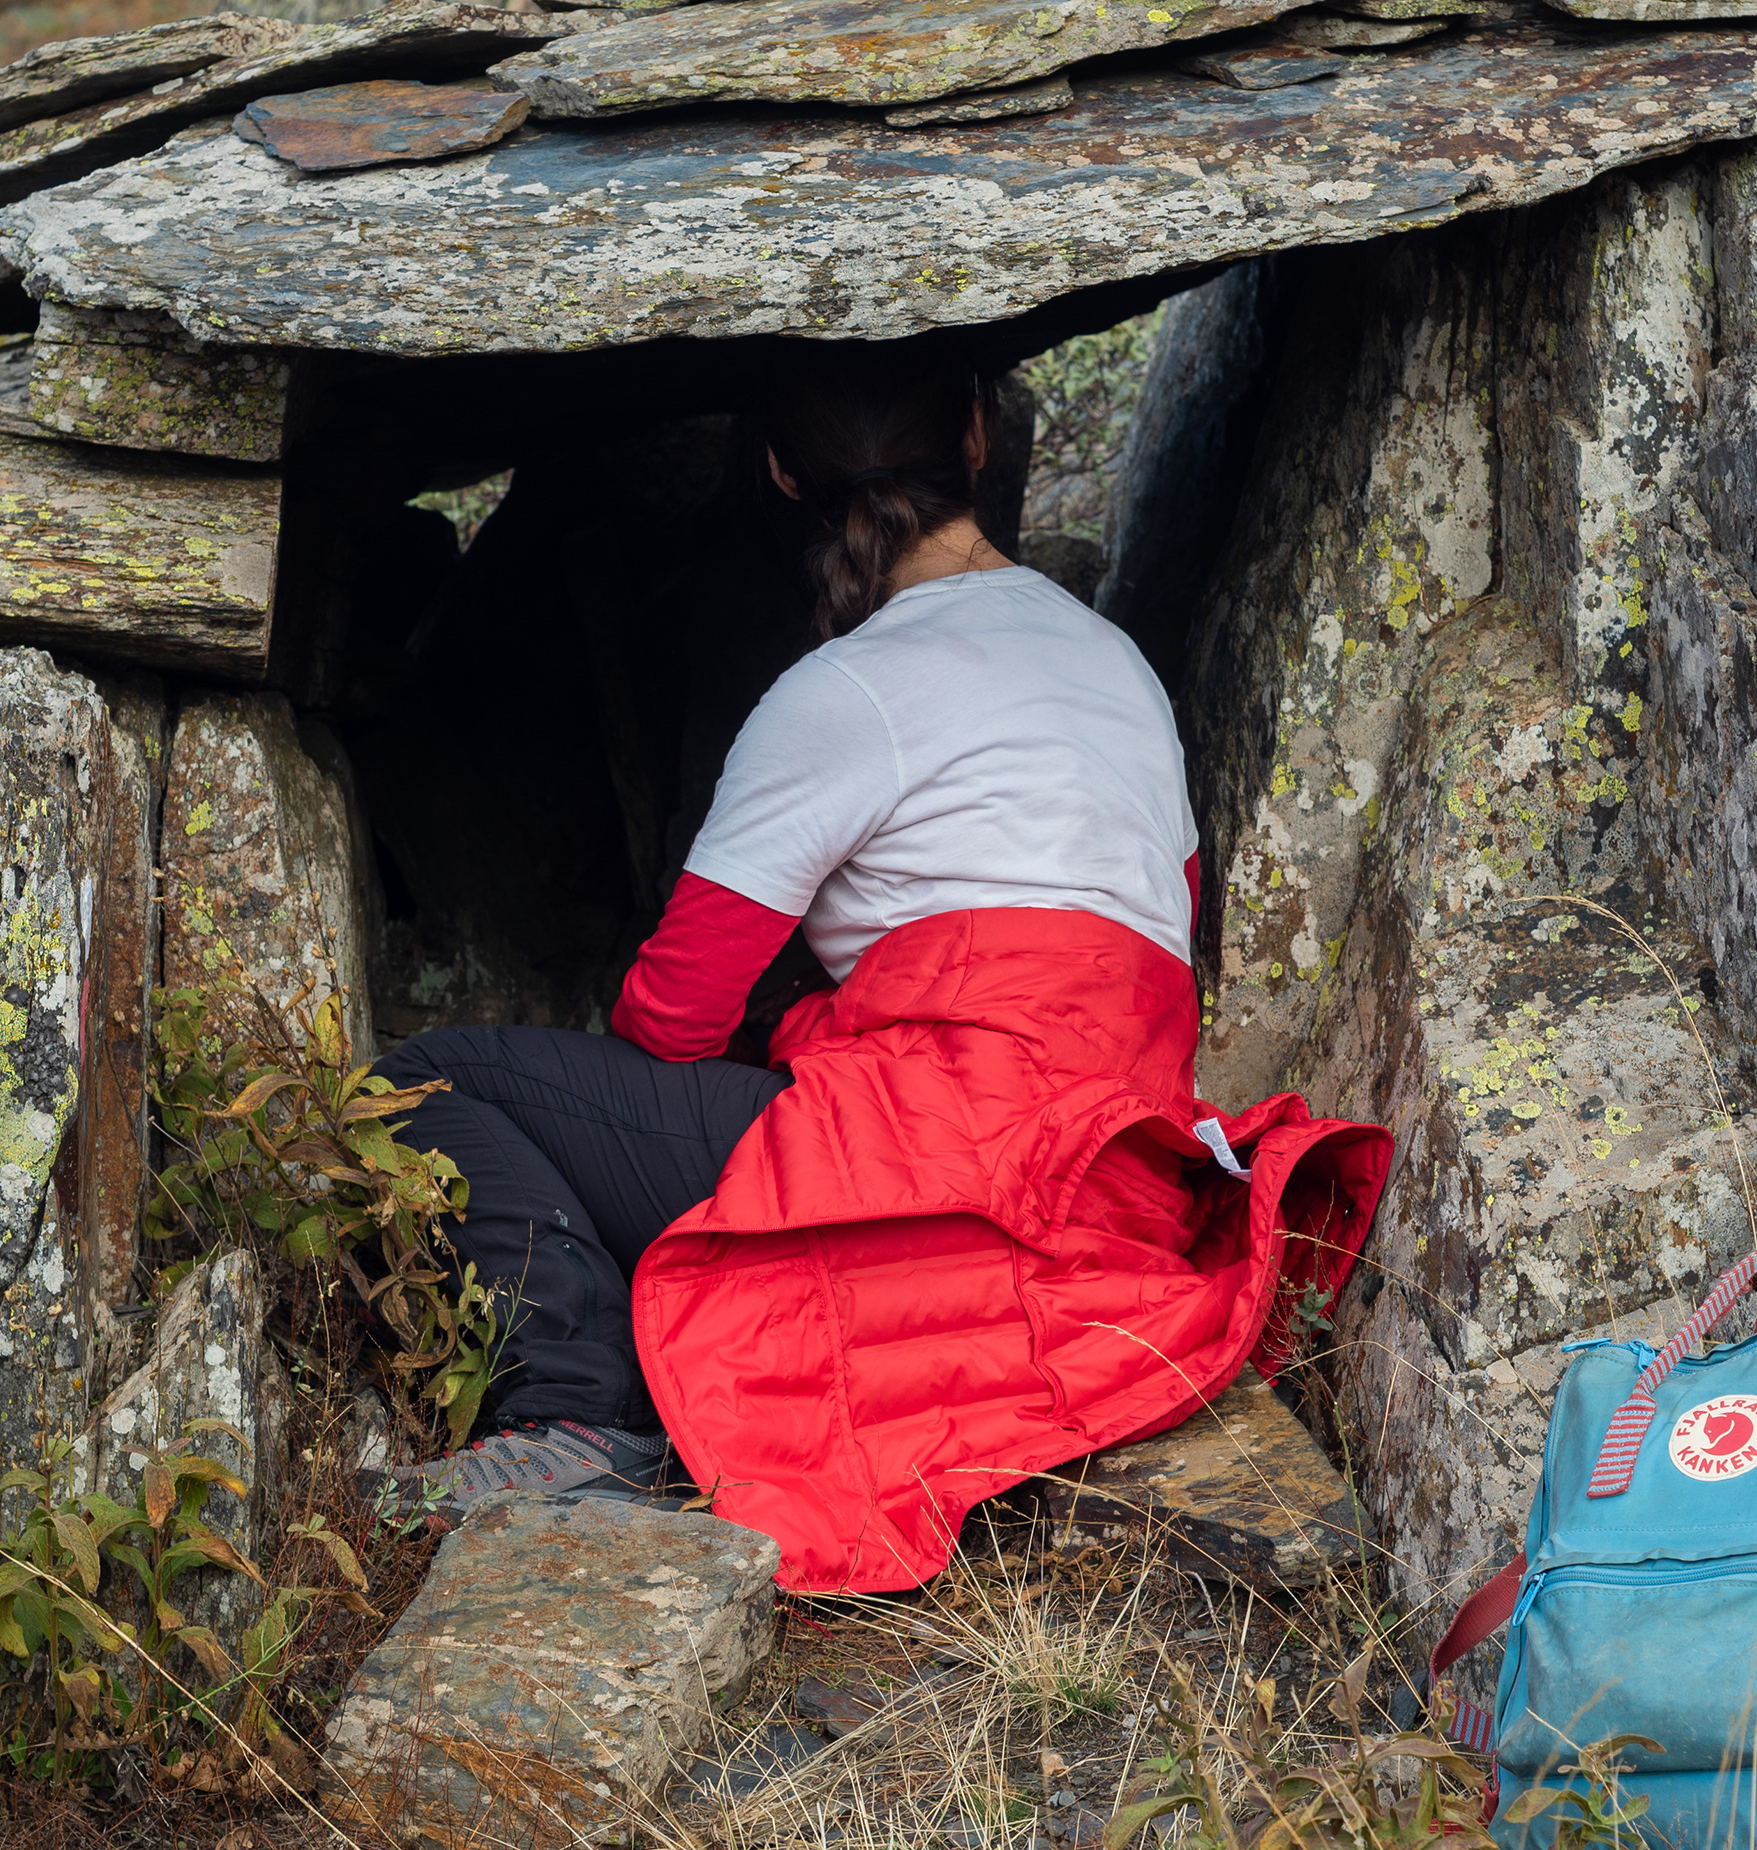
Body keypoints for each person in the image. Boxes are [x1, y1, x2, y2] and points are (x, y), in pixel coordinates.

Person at [369, 348, 1390, 1595]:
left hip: (942, 1153)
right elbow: (1151, 943)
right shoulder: (1121, 669)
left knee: (428, 1079)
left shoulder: (838, 695)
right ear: (975, 435)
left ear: (782, 471)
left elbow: (676, 1011)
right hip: (1120, 1180)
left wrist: (797, 1024)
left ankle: (573, 1410)